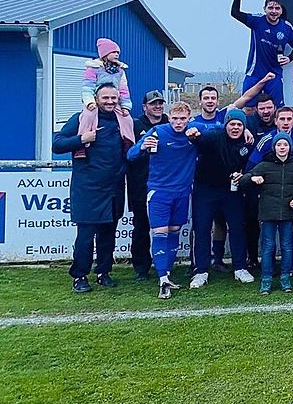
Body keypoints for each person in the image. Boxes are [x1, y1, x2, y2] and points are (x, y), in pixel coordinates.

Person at [52, 84, 128, 293]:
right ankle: (79, 276)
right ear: (96, 98)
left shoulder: (123, 120)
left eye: (114, 97)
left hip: (114, 188)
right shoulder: (81, 118)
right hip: (88, 189)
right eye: (106, 98)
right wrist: (81, 139)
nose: (110, 101)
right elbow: (57, 144)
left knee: (108, 235)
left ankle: (104, 272)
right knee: (85, 237)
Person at [126, 101, 201, 299]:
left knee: (175, 232)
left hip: (182, 193)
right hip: (159, 193)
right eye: (175, 118)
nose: (178, 123)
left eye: (182, 119)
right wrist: (142, 146)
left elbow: (217, 129)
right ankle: (162, 280)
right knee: (159, 233)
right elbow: (130, 155)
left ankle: (167, 274)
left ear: (188, 118)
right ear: (169, 117)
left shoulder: (193, 132)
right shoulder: (157, 132)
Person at [189, 109, 255, 288]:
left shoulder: (247, 142)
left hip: (231, 191)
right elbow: (195, 136)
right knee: (202, 228)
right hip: (205, 189)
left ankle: (240, 267)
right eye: (232, 124)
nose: (235, 128)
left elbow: (250, 166)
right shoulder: (214, 136)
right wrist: (193, 134)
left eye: (239, 125)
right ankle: (200, 270)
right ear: (226, 124)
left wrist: (242, 175)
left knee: (237, 226)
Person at [239, 132, 293, 295]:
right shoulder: (264, 165)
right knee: (268, 247)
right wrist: (252, 179)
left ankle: (285, 278)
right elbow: (244, 180)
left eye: (285, 145)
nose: (282, 148)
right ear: (274, 147)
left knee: (286, 247)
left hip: (287, 214)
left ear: (289, 147)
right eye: (279, 145)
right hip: (268, 213)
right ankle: (266, 279)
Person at [231, 0, 293, 105]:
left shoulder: (286, 27)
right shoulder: (257, 21)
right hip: (254, 72)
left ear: (281, 10)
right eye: (270, 8)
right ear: (265, 9)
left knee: (276, 108)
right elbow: (235, 13)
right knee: (248, 107)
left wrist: (289, 58)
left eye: (277, 8)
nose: (273, 11)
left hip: (275, 74)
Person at [125, 90, 168, 281]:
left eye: (160, 103)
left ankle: (165, 265)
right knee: (141, 227)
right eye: (153, 104)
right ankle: (141, 267)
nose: (157, 106)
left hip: (165, 185)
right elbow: (127, 154)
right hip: (140, 185)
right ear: (145, 107)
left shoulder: (171, 123)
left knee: (166, 228)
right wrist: (142, 147)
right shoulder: (134, 125)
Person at [75, 38, 135, 158]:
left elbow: (123, 89)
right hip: (95, 101)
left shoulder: (120, 71)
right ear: (105, 54)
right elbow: (87, 87)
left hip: (113, 100)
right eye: (113, 52)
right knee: (87, 116)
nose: (117, 54)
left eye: (118, 52)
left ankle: (128, 141)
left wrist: (125, 106)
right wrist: (90, 102)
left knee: (127, 119)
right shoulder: (93, 68)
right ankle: (81, 145)